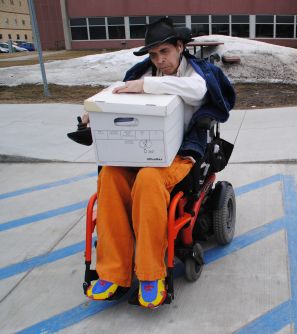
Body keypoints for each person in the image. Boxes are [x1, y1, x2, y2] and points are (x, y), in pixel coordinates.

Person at [83, 17, 235, 309]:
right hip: (137, 151)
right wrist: (94, 113)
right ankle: (113, 273)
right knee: (111, 177)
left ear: (179, 47)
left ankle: (152, 275)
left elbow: (198, 92)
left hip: (181, 153)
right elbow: (115, 93)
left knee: (150, 179)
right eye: (154, 55)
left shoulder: (196, 73)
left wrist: (145, 85)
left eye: (164, 52)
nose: (159, 60)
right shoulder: (142, 73)